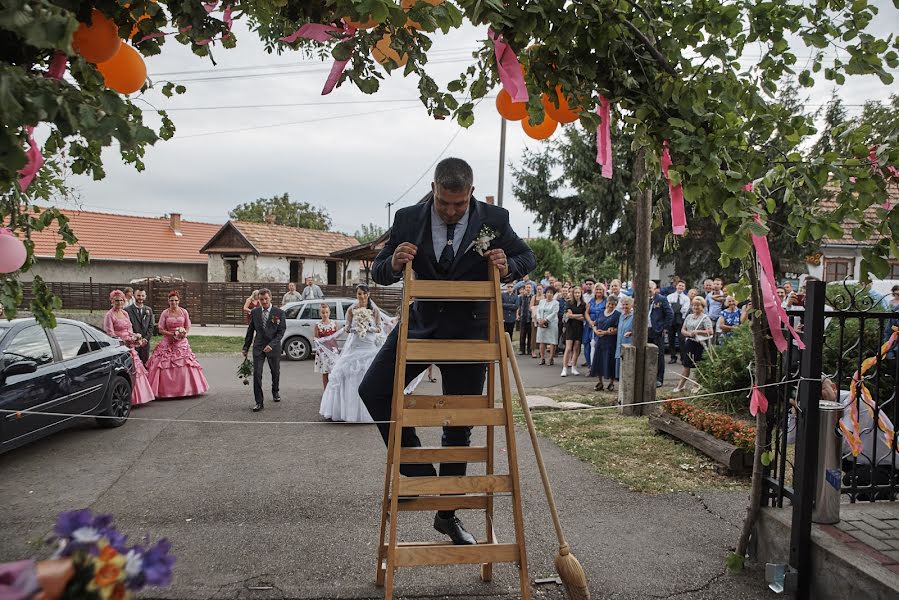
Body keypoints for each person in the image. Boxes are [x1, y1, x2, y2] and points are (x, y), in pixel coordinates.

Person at [358, 157, 536, 546]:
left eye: (458, 204)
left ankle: (448, 515)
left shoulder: (495, 219)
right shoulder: (409, 218)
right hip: (420, 325)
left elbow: (528, 258)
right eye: (444, 203)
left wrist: (507, 266)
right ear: (434, 190)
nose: (451, 211)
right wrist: (394, 261)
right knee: (372, 390)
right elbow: (379, 271)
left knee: (459, 424)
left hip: (472, 332)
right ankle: (417, 468)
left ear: (470, 192)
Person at [319, 285, 384, 422]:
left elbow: (379, 328)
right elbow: (347, 327)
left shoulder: (374, 310)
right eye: (359, 294)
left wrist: (369, 328)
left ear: (368, 294)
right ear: (356, 295)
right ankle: (346, 410)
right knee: (348, 376)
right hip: (355, 346)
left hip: (369, 346)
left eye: (364, 294)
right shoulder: (351, 309)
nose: (362, 296)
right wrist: (353, 328)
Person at [147, 291, 209, 398]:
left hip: (181, 342)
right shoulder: (165, 313)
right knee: (163, 364)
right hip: (168, 341)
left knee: (185, 364)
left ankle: (187, 389)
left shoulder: (184, 312)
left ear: (179, 301)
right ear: (168, 301)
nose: (174, 302)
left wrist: (183, 333)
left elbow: (187, 325)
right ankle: (165, 390)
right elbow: (161, 329)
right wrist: (171, 334)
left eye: (176, 300)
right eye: (171, 301)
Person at [104, 290, 154, 406]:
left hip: (130, 346)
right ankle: (127, 397)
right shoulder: (109, 315)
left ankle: (140, 397)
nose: (119, 302)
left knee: (136, 368)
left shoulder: (125, 313)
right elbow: (110, 334)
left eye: (121, 300)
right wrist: (124, 341)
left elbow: (130, 329)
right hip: (119, 346)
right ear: (112, 301)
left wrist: (134, 338)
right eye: (117, 300)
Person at [242, 288, 286, 412]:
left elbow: (281, 332)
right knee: (257, 374)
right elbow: (250, 331)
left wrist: (272, 345)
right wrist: (245, 347)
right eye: (261, 300)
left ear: (270, 298)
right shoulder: (254, 313)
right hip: (259, 347)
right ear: (259, 300)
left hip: (274, 347)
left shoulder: (279, 313)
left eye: (266, 299)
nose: (264, 301)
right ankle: (259, 402)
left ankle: (275, 391)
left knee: (275, 371)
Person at [673, 296, 714, 393]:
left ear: (702, 306)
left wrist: (697, 332)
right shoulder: (689, 316)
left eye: (698, 305)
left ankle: (697, 385)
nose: (695, 307)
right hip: (689, 342)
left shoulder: (705, 318)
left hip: (700, 344)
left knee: (699, 365)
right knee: (686, 365)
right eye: (694, 305)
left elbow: (710, 331)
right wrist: (689, 334)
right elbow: (683, 330)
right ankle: (681, 385)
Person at [591, 294, 620, 391]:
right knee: (598, 361)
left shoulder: (617, 315)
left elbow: (617, 329)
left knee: (610, 362)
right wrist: (595, 331)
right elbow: (594, 324)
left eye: (613, 304)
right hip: (600, 341)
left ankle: (611, 383)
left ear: (615, 305)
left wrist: (606, 332)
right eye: (609, 303)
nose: (610, 306)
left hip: (610, 342)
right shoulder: (600, 313)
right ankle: (600, 382)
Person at [648, 282, 674, 388]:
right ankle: (648, 377)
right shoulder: (642, 298)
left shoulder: (661, 299)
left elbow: (670, 314)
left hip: (657, 331)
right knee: (646, 354)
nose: (648, 289)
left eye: (650, 288)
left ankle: (659, 379)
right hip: (645, 330)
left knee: (659, 355)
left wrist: (664, 328)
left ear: (655, 289)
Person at [125, 288, 154, 366]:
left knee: (145, 365)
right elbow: (126, 326)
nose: (140, 297)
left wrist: (145, 339)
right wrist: (135, 339)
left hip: (145, 344)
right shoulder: (127, 310)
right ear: (134, 296)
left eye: (142, 296)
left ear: (145, 297)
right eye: (138, 295)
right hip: (133, 343)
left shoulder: (149, 310)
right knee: (133, 365)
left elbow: (151, 326)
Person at [313, 303, 339, 389]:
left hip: (332, 350)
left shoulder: (334, 323)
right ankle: (326, 390)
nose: (325, 314)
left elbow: (336, 336)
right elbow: (316, 337)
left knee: (334, 370)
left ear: (329, 312)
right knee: (325, 371)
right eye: (323, 313)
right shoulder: (318, 325)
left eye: (326, 312)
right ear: (320, 313)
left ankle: (333, 389)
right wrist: (316, 340)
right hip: (323, 352)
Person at [561, 289, 585, 376]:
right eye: (575, 292)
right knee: (568, 348)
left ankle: (574, 367)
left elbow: (584, 317)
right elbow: (568, 315)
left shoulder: (583, 304)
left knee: (576, 348)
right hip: (570, 327)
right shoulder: (569, 303)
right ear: (573, 294)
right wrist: (578, 315)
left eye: (578, 292)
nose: (577, 294)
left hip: (579, 328)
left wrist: (574, 316)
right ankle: (564, 368)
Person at [583, 283, 607, 367]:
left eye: (600, 289)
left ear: (603, 291)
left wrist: (597, 322)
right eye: (597, 289)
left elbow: (607, 312)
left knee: (597, 346)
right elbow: (586, 312)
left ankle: (597, 367)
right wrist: (590, 321)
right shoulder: (591, 301)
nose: (598, 291)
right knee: (587, 345)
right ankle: (590, 366)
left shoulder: (606, 301)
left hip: (600, 325)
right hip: (589, 326)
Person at [535, 286, 559, 365]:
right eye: (548, 292)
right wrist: (539, 319)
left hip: (551, 323)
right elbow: (538, 311)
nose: (549, 294)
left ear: (553, 294)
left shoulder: (556, 303)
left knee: (552, 341)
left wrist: (545, 320)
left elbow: (554, 313)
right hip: (541, 322)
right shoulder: (542, 301)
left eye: (551, 293)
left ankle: (551, 358)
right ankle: (542, 358)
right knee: (541, 340)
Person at [667, 281, 689, 364]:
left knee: (681, 339)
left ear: (684, 288)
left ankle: (683, 358)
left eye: (683, 286)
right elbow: (668, 308)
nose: (681, 287)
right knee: (671, 339)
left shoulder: (686, 298)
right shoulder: (670, 296)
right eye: (679, 285)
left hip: (680, 319)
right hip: (671, 319)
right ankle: (673, 357)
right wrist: (676, 308)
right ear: (676, 286)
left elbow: (684, 309)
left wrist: (675, 307)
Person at [615, 295, 634, 380]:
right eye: (623, 304)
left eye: (627, 304)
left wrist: (631, 332)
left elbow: (639, 329)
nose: (625, 306)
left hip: (629, 343)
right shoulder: (621, 316)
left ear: (631, 305)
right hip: (620, 342)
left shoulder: (634, 316)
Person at [516, 283, 534, 355]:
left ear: (531, 289)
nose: (528, 289)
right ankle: (522, 350)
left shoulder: (533, 297)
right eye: (527, 287)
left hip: (530, 318)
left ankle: (529, 349)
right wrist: (517, 315)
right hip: (523, 317)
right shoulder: (521, 297)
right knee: (522, 334)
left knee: (530, 335)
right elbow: (519, 307)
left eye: (529, 287)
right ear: (525, 288)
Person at [530, 284, 544, 358]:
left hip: (543, 318)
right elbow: (531, 307)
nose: (539, 291)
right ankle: (533, 350)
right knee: (534, 334)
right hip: (535, 319)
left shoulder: (544, 297)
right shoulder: (534, 297)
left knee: (542, 335)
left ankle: (540, 351)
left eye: (540, 289)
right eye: (538, 289)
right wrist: (537, 308)